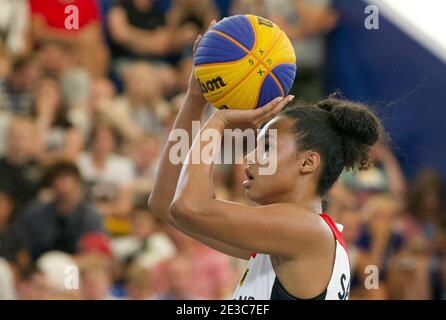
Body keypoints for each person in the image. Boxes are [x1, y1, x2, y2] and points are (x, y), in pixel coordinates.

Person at [148, 32, 383, 300]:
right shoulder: (285, 239)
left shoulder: (305, 230)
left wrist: (218, 121)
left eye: (267, 147)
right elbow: (165, 204)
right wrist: (195, 99)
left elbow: (188, 207)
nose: (249, 158)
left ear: (307, 162)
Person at [20, 161, 103, 260]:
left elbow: (95, 254)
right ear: (51, 185)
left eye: (65, 179)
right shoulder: (36, 215)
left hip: (78, 268)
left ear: (77, 183)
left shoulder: (91, 216)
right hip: (43, 268)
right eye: (57, 180)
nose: (61, 186)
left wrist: (67, 263)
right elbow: (26, 252)